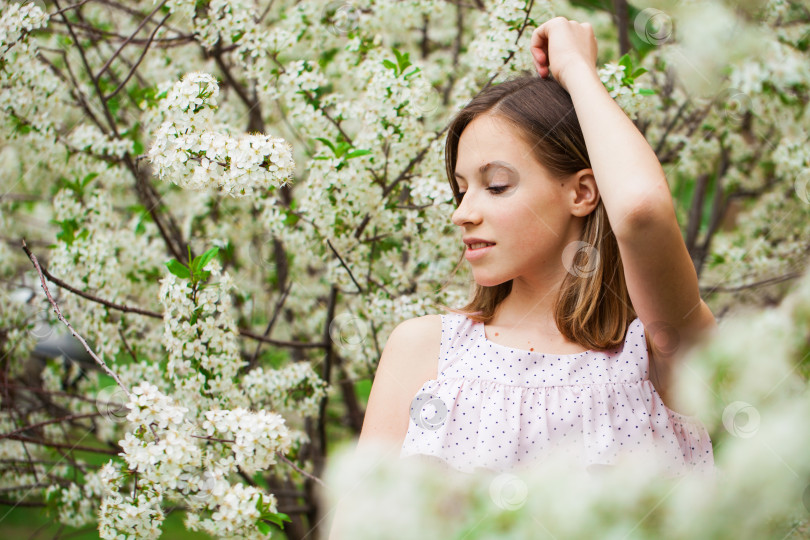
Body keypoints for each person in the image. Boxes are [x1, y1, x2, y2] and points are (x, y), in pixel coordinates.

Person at [327, 15, 718, 538]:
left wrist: (579, 71)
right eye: (461, 188)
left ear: (582, 192)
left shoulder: (654, 352)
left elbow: (642, 209)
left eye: (497, 185)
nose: (462, 212)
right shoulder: (423, 353)